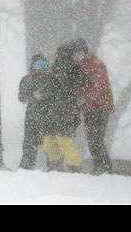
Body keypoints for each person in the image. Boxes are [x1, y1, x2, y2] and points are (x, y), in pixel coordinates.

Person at [42, 41, 89, 172]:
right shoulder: (74, 68)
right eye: (79, 53)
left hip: (54, 109)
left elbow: (49, 89)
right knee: (62, 138)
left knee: (50, 138)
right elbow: (84, 81)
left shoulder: (57, 68)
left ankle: (55, 165)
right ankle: (74, 167)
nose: (80, 56)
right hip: (66, 108)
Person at [73, 38, 115, 175]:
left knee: (95, 139)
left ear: (84, 51)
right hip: (91, 108)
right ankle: (102, 168)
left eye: (79, 52)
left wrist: (84, 98)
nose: (76, 55)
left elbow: (98, 86)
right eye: (75, 53)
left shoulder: (95, 65)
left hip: (100, 107)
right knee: (94, 140)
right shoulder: (80, 67)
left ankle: (103, 168)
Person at [18, 54, 52, 170]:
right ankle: (53, 166)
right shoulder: (51, 79)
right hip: (48, 115)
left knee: (29, 144)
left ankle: (26, 167)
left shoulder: (27, 79)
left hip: (32, 116)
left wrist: (31, 93)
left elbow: (21, 98)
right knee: (49, 143)